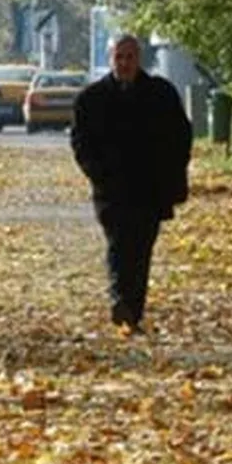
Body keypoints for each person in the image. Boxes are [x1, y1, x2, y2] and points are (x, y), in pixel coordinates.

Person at [70, 35, 192, 336]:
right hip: (111, 190)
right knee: (119, 245)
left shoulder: (161, 94)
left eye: (130, 57)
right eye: (119, 57)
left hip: (150, 189)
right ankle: (119, 300)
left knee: (141, 250)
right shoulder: (92, 99)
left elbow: (180, 137)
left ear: (139, 59)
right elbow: (81, 143)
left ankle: (133, 310)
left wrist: (173, 175)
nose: (124, 63)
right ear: (111, 59)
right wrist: (97, 173)